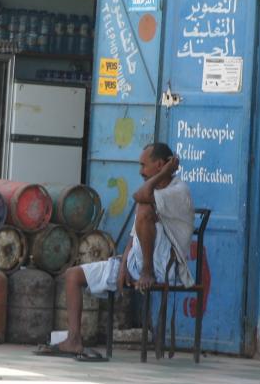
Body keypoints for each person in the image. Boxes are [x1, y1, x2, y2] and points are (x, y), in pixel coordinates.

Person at [36, 142, 195, 361]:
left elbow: (140, 197)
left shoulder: (178, 190)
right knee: (73, 276)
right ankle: (73, 339)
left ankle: (145, 271)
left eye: (144, 165)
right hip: (134, 263)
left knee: (144, 207)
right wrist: (122, 265)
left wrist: (145, 271)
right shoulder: (151, 193)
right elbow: (133, 236)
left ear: (160, 165)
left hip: (162, 267)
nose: (140, 171)